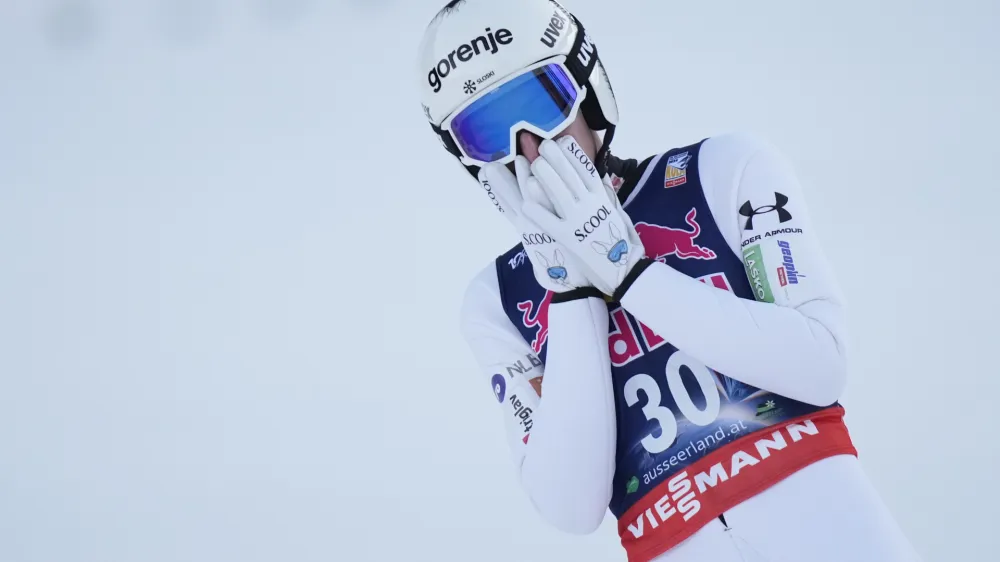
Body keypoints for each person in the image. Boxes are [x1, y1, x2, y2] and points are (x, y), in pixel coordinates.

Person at [416, 1, 923, 561]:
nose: (530, 147)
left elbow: (821, 366)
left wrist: (630, 274)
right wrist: (571, 290)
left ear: (587, 87)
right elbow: (571, 506)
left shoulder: (722, 170)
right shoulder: (498, 298)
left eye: (540, 103)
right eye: (486, 132)